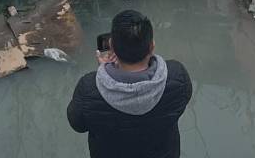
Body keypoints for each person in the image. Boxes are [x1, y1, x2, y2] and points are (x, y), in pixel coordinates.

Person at [67, 10, 193, 158]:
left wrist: (104, 74)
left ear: (111, 46)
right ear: (152, 46)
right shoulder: (177, 76)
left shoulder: (88, 89)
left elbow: (78, 125)